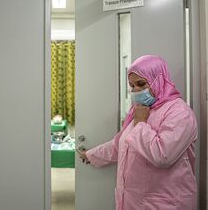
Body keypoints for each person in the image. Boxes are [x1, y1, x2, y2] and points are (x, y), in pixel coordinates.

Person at [78, 55, 197, 210]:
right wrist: (91, 155)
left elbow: (163, 155)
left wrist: (140, 123)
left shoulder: (179, 112)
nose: (135, 90)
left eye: (141, 84)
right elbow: (119, 145)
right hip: (134, 202)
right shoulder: (140, 109)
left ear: (159, 79)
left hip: (166, 203)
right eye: (132, 85)